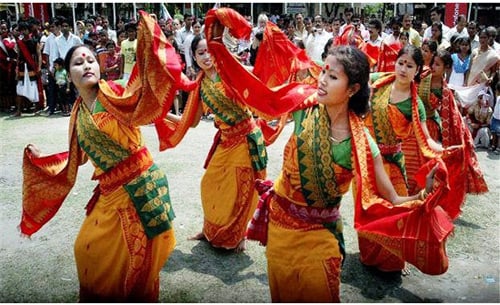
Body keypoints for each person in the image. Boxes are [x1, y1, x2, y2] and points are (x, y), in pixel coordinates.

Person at [204, 8, 454, 301]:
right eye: (323, 70)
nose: (322, 79)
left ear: (353, 89)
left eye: (332, 76)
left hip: (321, 239)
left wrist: (423, 195)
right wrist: (218, 47)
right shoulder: (304, 103)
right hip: (279, 232)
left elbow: (391, 200)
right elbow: (259, 94)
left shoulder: (362, 145)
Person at [19, 11, 195, 301]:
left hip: (138, 187)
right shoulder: (77, 115)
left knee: (134, 261)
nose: (86, 65)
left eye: (90, 60)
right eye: (78, 62)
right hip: (109, 191)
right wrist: (42, 159)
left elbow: (144, 96)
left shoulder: (114, 93)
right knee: (86, 248)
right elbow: (81, 159)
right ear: (67, 72)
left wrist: (148, 44)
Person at [490, 82, 500, 153]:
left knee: (499, 134)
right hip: (495, 117)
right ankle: (493, 145)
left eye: (496, 90)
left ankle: (498, 147)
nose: (495, 91)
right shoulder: (498, 98)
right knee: (493, 132)